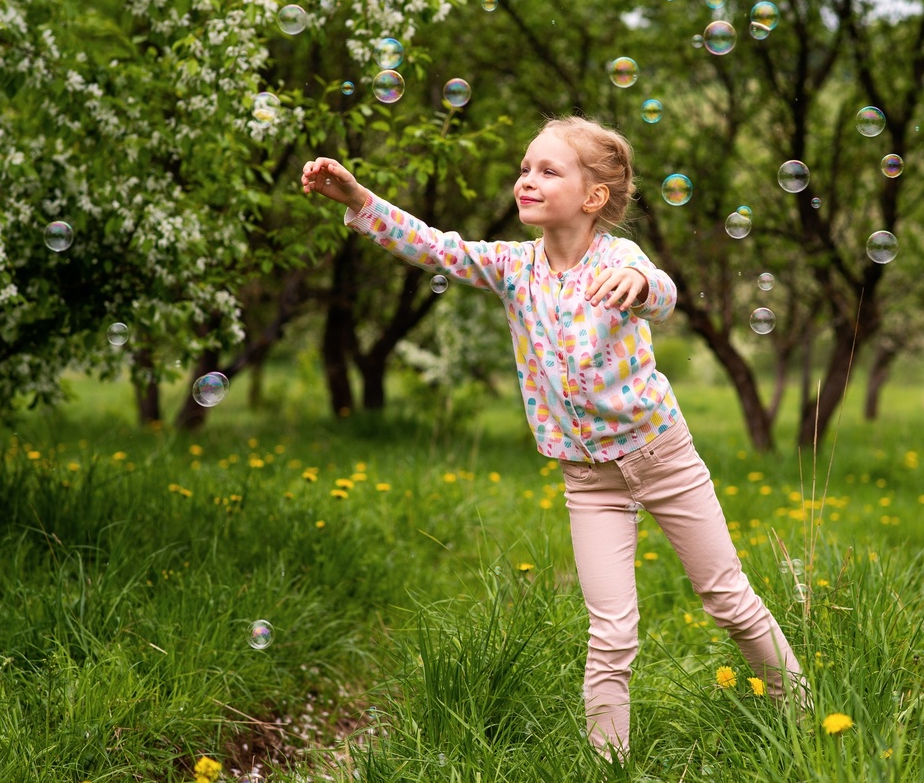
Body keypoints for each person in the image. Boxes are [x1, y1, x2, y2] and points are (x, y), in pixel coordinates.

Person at [301, 115, 808, 764]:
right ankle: (608, 766)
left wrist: (645, 284)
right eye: (524, 168)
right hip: (587, 478)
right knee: (611, 630)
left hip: (663, 457)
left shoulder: (618, 258)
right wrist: (360, 200)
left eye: (547, 170)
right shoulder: (513, 268)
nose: (526, 180)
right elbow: (434, 245)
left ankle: (800, 711)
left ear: (593, 197)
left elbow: (664, 292)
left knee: (727, 596)